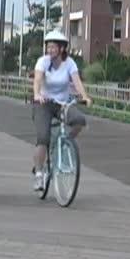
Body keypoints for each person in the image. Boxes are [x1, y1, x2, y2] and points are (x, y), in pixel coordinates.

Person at [32, 30, 92, 191]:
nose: (50, 50)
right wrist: (37, 94)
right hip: (43, 103)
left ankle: (64, 144)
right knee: (43, 137)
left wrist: (84, 96)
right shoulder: (43, 62)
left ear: (62, 49)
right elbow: (37, 80)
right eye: (48, 47)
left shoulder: (70, 63)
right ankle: (38, 174)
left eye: (53, 47)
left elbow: (77, 82)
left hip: (62, 104)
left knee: (79, 120)